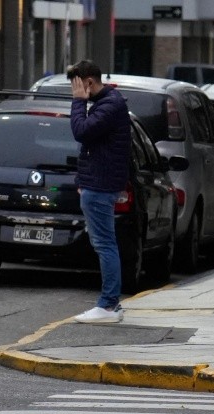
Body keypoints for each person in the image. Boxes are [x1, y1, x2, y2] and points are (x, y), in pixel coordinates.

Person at [68, 60, 132, 323]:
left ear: (89, 83)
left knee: (105, 244)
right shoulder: (109, 103)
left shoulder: (109, 105)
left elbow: (81, 131)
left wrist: (78, 102)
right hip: (97, 183)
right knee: (104, 243)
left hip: (101, 185)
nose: (75, 91)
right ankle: (110, 304)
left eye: (77, 86)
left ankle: (107, 304)